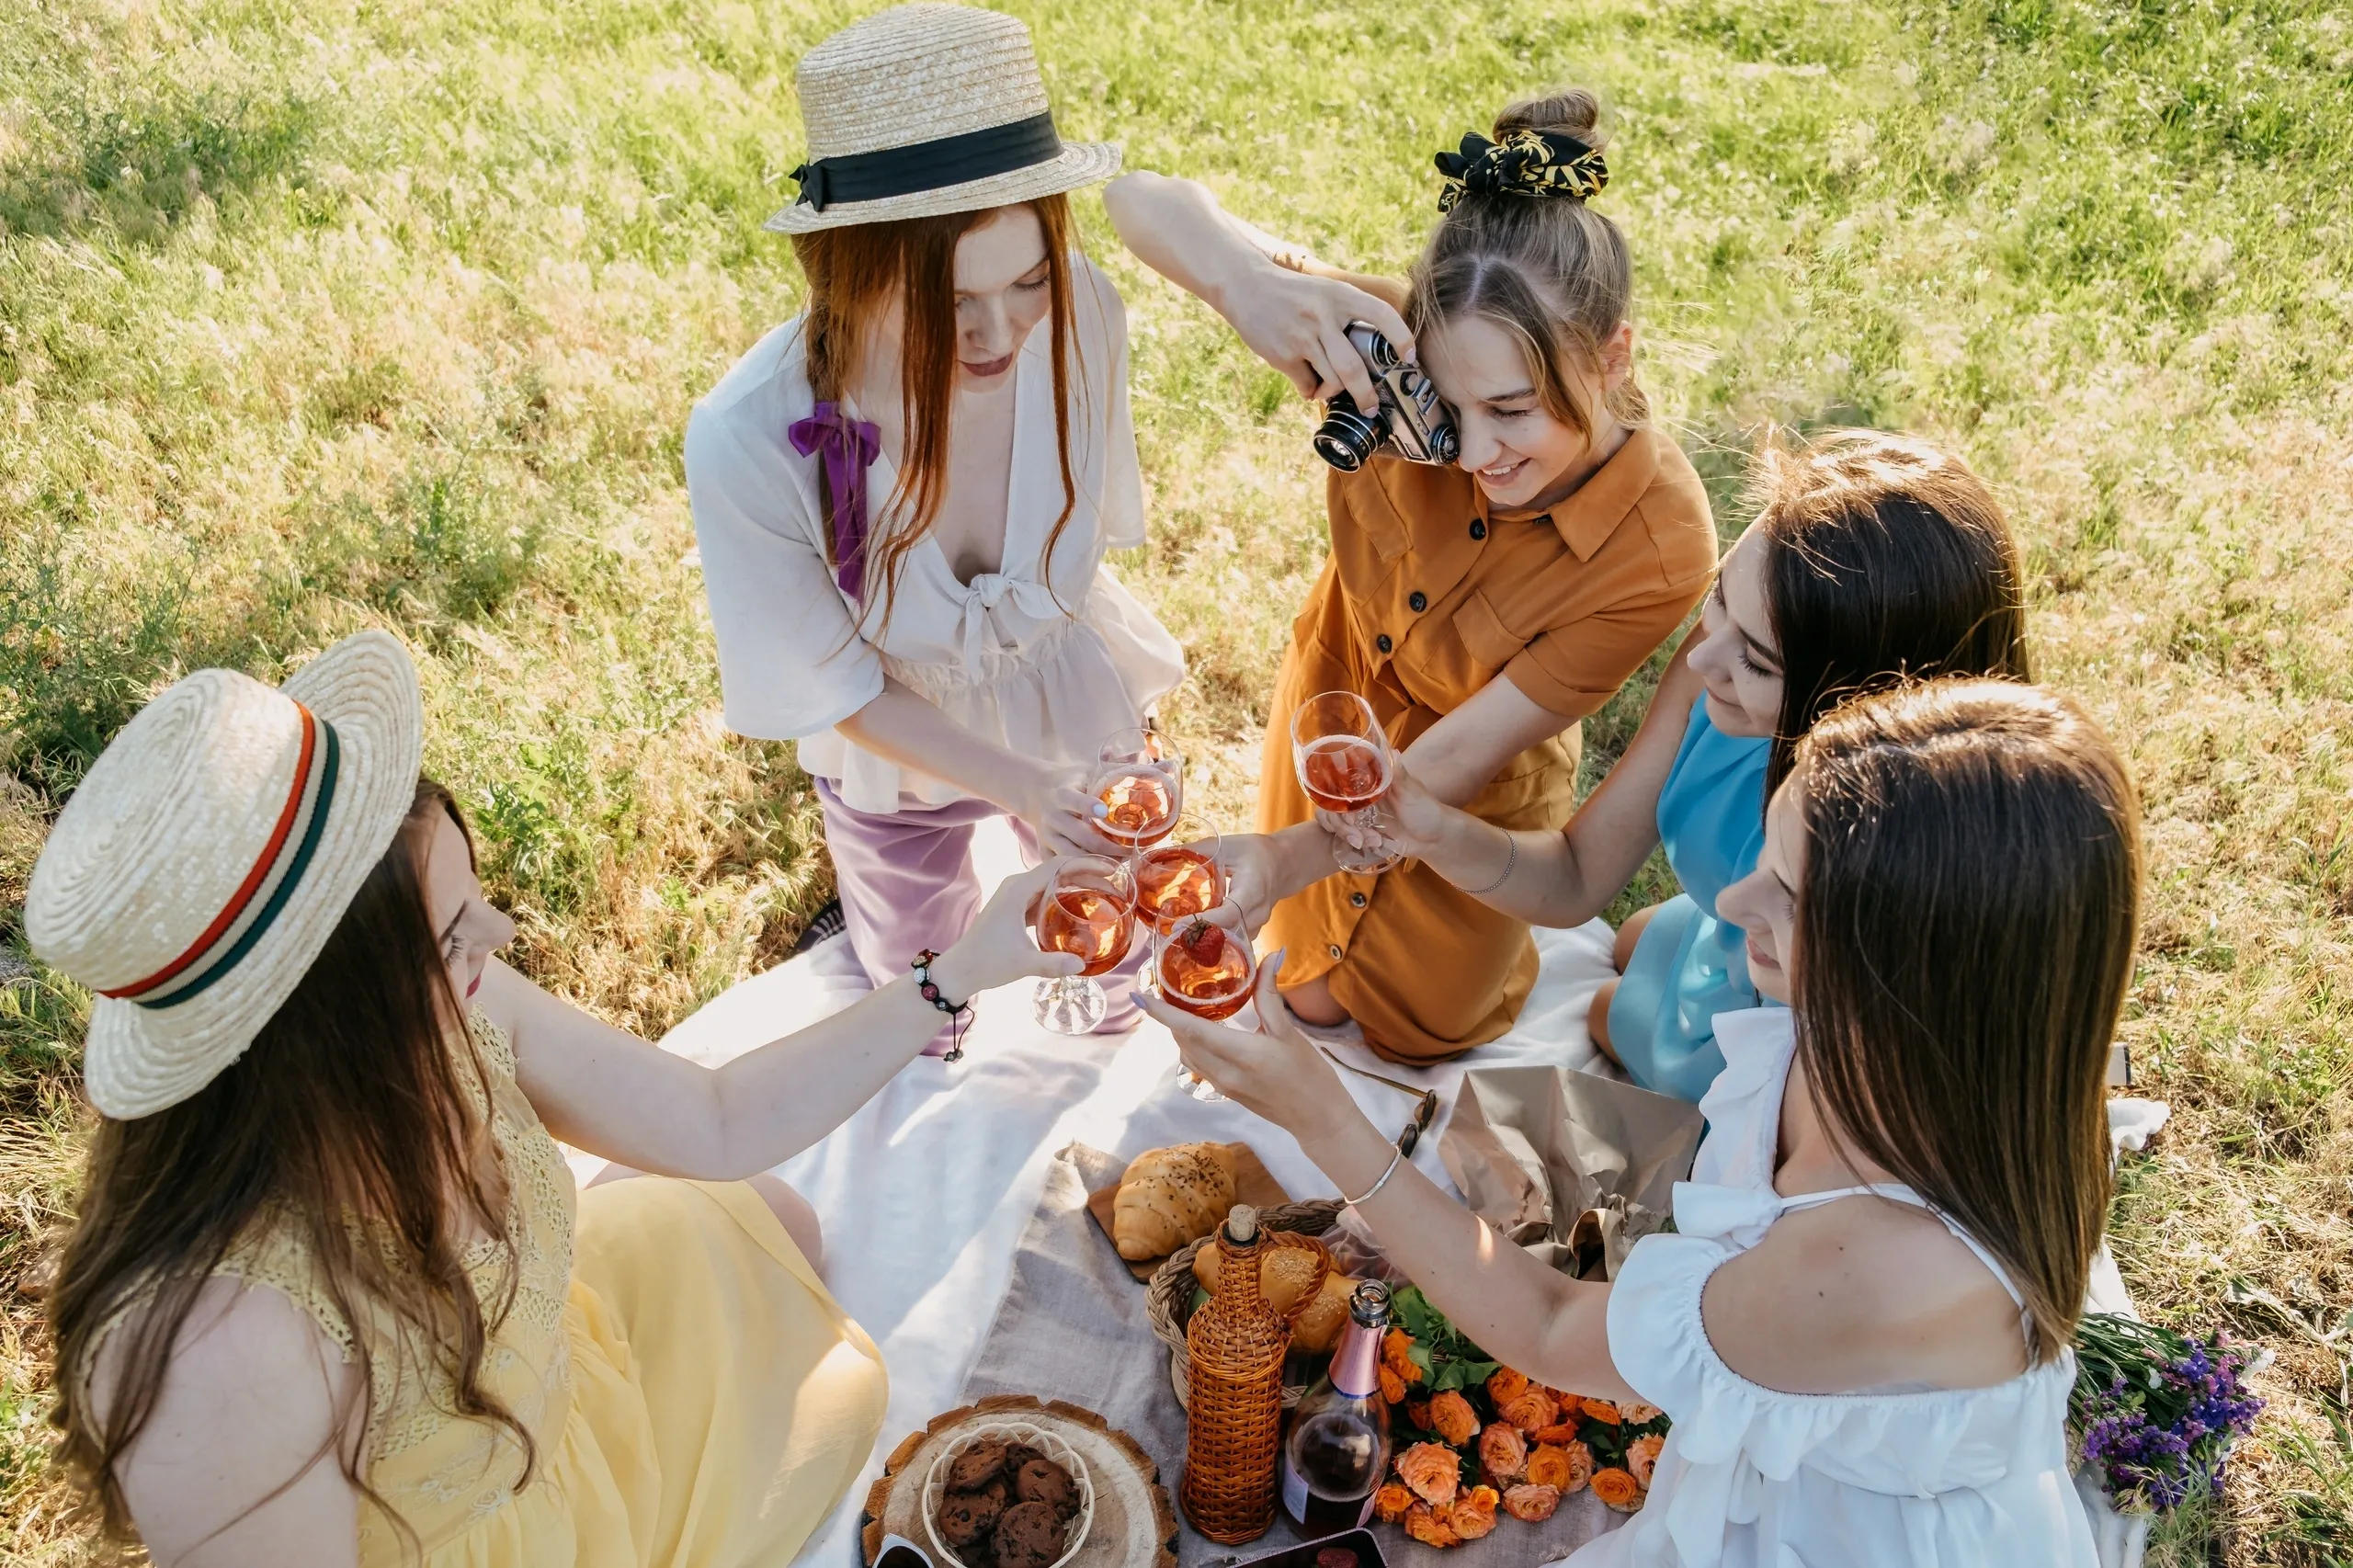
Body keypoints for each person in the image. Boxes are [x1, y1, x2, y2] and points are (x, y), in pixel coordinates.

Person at [27, 631, 1082, 1567]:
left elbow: (711, 1120)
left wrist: (966, 966)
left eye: (470, 899)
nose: (501, 937)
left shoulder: (434, 1006)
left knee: (777, 1222)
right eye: (453, 934)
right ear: (325, 1024)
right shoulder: (212, 1352)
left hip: (566, 1388)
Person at [1147, 677, 2131, 1564]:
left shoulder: (1882, 1266)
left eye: (1788, 896)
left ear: (1903, 971)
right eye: (1767, 857)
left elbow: (1546, 1322)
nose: (1733, 898)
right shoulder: (1872, 1036)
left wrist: (1317, 1109)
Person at [1107, 87, 1716, 1063]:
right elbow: (1137, 197)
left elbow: (1465, 749)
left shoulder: (1661, 546)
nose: (1475, 453)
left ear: (1610, 359)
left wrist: (1292, 855)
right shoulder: (1382, 337)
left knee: (1425, 1030)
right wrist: (1245, 287)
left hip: (1471, 790)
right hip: (1333, 703)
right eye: (1448, 406)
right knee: (1303, 989)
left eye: (1514, 411)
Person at [688, 4, 1181, 1047]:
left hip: (1065, 687)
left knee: (1112, 964)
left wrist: (1061, 787)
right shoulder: (752, 437)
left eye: (1027, 279)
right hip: (893, 746)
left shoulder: (1082, 314)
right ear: (844, 270)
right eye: (947, 301)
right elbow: (839, 684)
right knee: (923, 999)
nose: (1000, 332)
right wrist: (1019, 786)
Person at [1368, 431, 2032, 1099]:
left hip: (1799, 1031)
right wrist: (1435, 833)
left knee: (1602, 1016)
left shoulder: (1904, 850)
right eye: (1721, 601)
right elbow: (1575, 875)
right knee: (1630, 941)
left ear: (1865, 702)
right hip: (1729, 939)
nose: (1702, 662)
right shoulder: (1719, 658)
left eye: (1759, 662)